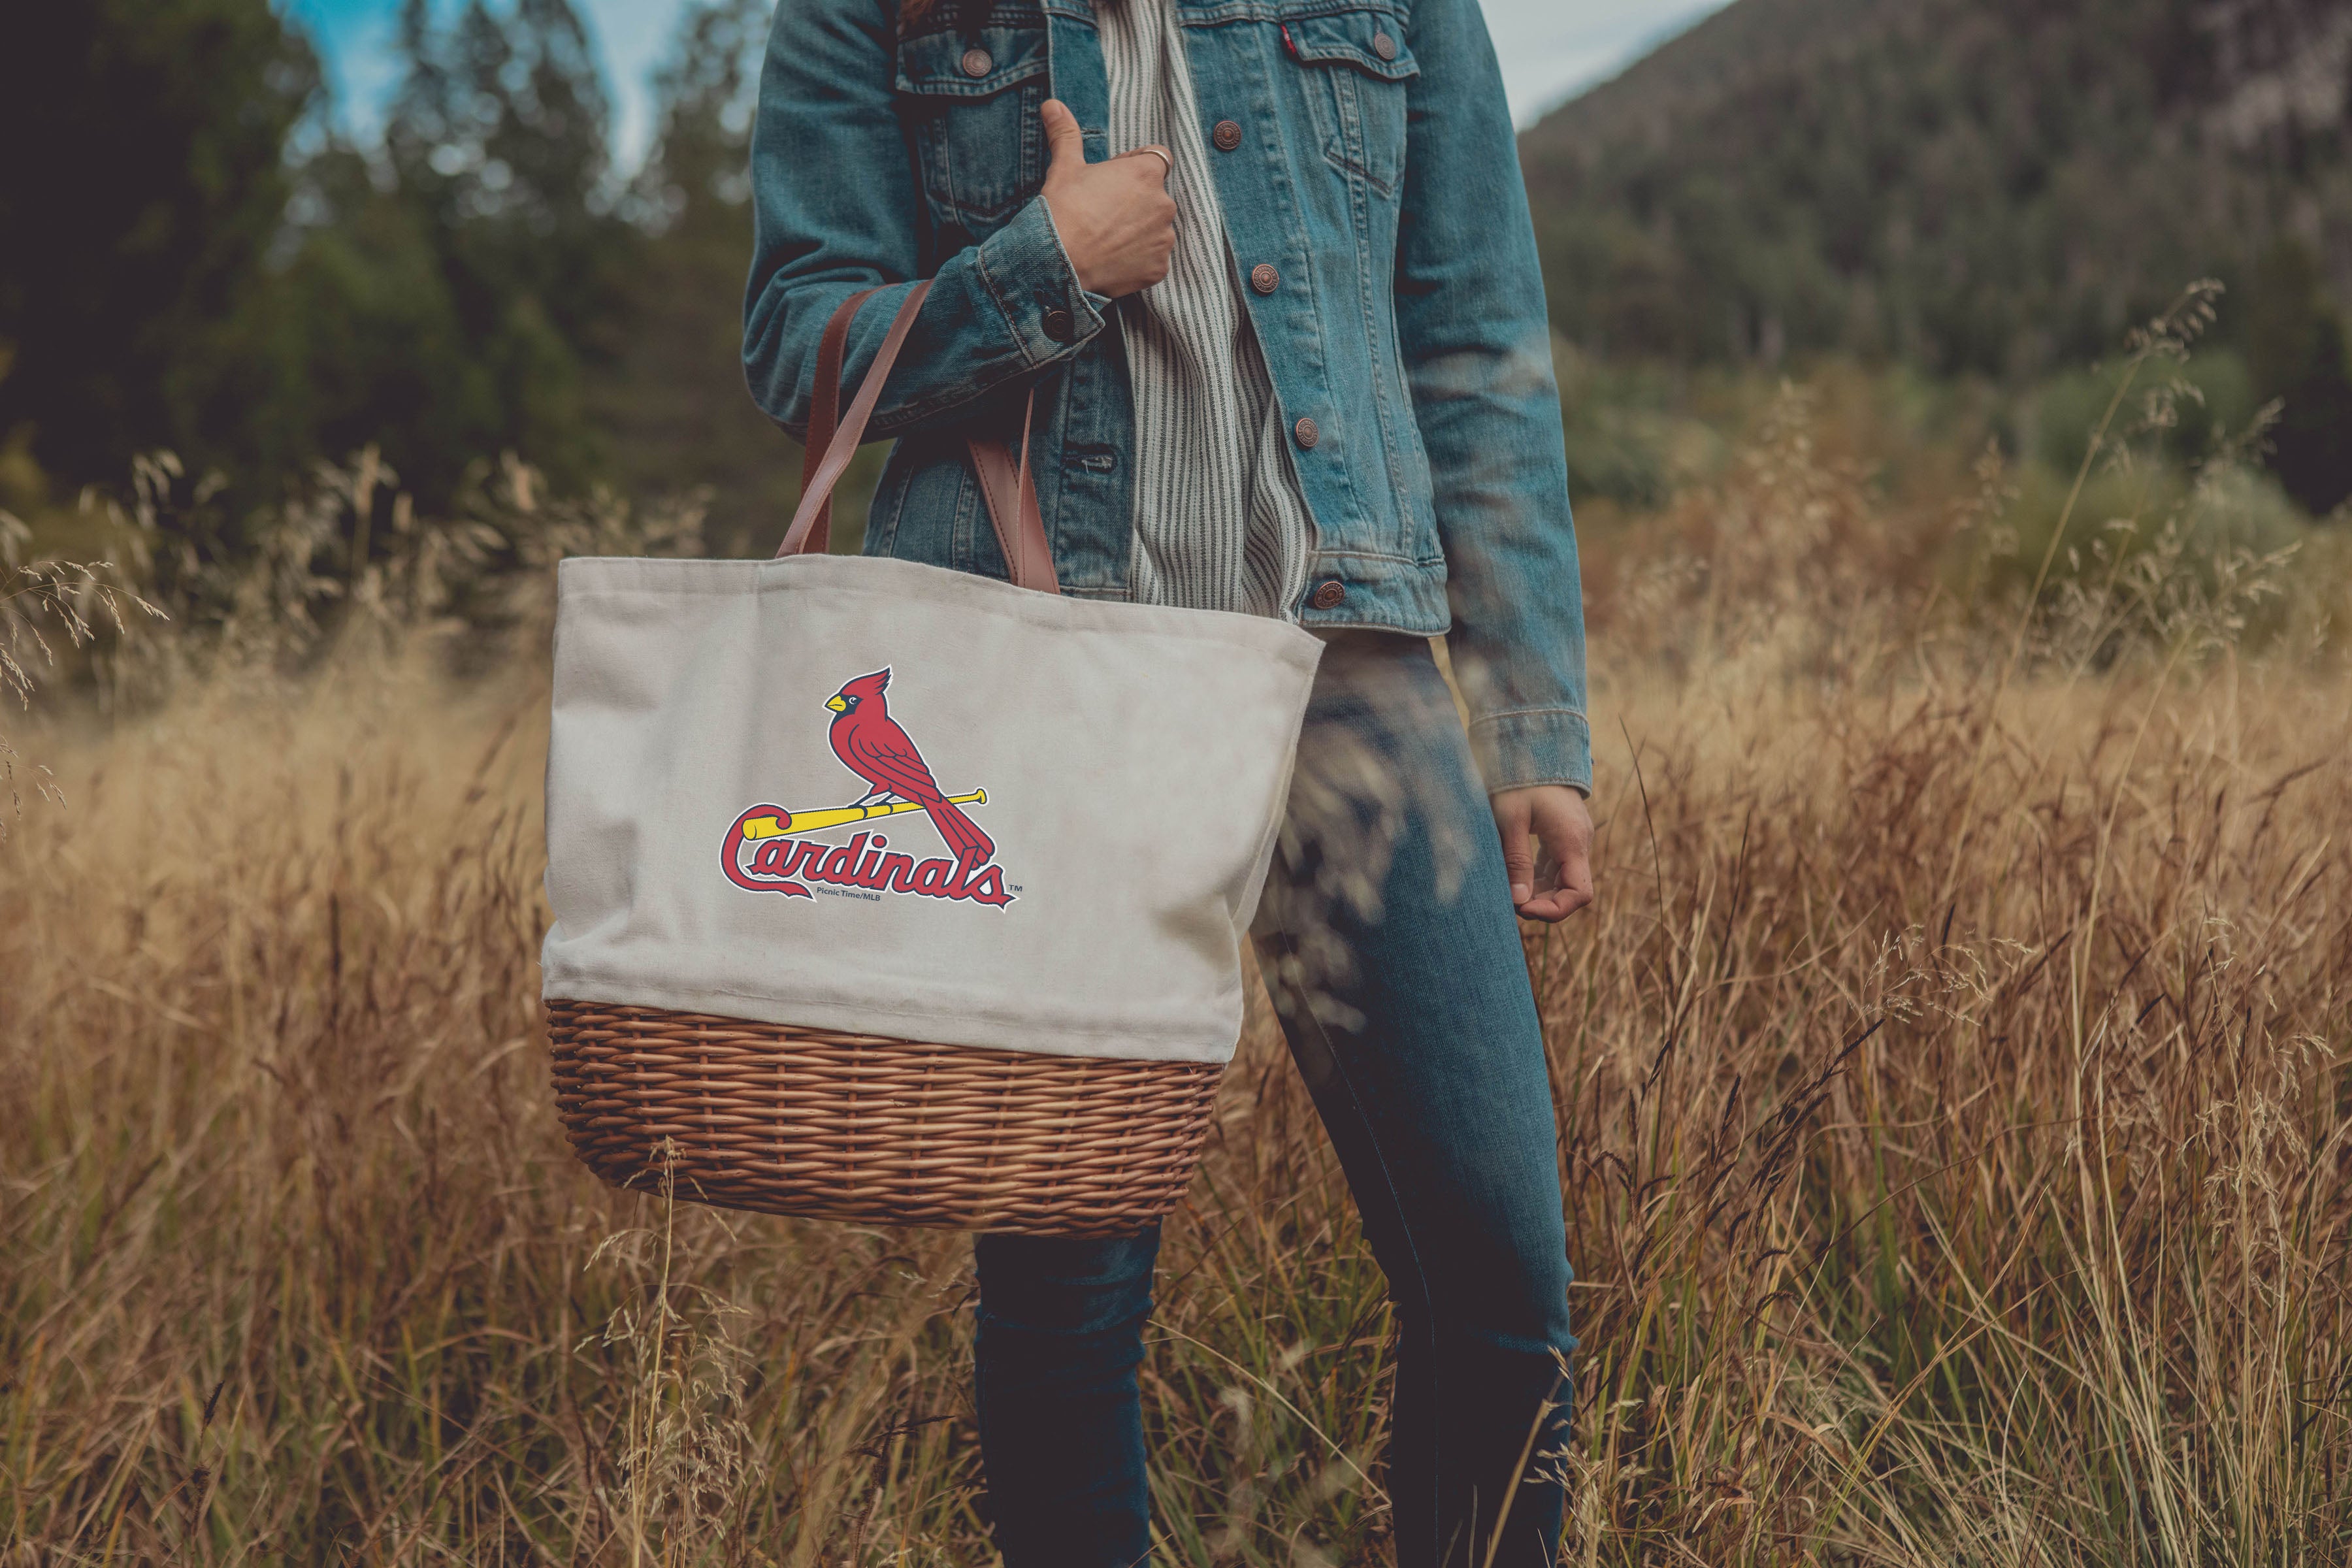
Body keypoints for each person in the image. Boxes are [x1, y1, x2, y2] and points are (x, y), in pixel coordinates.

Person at [745, 0, 1594, 1561]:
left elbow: (1473, 339)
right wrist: (1038, 270)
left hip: (1353, 677)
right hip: (1049, 687)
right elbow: (798, 337)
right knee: (1070, 1301)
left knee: (1500, 1280)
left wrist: (1533, 714)